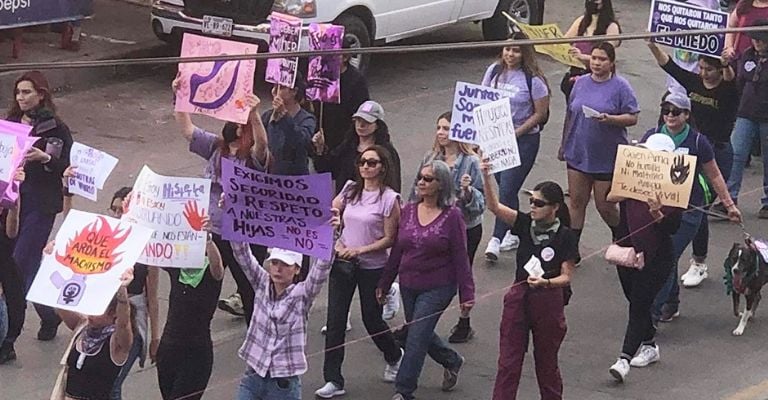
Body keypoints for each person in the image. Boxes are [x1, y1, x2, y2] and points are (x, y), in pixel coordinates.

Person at [172, 76, 269, 324]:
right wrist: (180, 97)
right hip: (212, 231)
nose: (235, 124)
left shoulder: (252, 159)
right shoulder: (216, 147)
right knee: (204, 285)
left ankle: (257, 333)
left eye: (240, 121)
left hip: (242, 234)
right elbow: (187, 129)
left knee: (249, 289)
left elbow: (262, 145)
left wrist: (255, 114)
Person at [378, 160, 475, 400]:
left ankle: (404, 390)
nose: (421, 182)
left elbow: (461, 256)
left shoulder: (452, 216)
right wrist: (385, 282)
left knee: (416, 338)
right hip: (409, 283)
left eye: (428, 179)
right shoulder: (409, 210)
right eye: (420, 177)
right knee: (420, 331)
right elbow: (398, 250)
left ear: (441, 184)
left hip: (439, 286)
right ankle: (451, 360)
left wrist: (467, 294)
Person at [647, 41, 739, 288]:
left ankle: (699, 262)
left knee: (698, 209)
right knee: (683, 204)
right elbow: (670, 66)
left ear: (719, 70)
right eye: (701, 68)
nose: (704, 73)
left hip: (717, 151)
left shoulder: (728, 90)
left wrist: (728, 63)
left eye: (709, 69)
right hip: (690, 151)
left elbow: (731, 79)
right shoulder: (695, 83)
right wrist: (652, 45)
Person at [642, 94, 742, 324]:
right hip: (659, 208)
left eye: (675, 111)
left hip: (689, 208)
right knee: (666, 256)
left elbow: (714, 174)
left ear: (687, 115)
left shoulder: (698, 142)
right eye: (666, 110)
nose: (669, 116)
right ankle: (672, 303)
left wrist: (729, 205)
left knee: (666, 256)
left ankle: (652, 314)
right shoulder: (652, 136)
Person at [315, 146, 404, 399]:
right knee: (335, 321)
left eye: (372, 163)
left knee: (371, 319)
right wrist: (338, 240)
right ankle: (333, 379)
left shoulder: (389, 198)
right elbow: (332, 214)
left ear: (382, 167)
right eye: (362, 162)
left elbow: (390, 239)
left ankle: (394, 354)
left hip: (372, 266)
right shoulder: (350, 189)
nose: (365, 166)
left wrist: (360, 250)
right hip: (344, 263)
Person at [482, 168, 577, 400]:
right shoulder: (524, 223)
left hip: (548, 298)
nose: (533, 206)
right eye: (531, 201)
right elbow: (494, 207)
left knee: (546, 364)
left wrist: (546, 282)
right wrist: (486, 176)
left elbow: (567, 276)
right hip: (519, 294)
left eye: (539, 203)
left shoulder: (565, 236)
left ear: (555, 207)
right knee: (508, 362)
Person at [230, 212, 341, 400]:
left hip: (282, 386)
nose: (278, 269)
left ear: (297, 269)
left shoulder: (302, 295)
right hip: (252, 376)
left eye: (285, 264)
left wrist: (332, 233)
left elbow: (321, 268)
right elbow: (242, 253)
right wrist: (231, 213)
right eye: (274, 262)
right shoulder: (262, 282)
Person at [606, 134, 683, 383]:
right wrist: (629, 188)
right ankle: (649, 344)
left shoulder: (675, 188)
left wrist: (656, 211)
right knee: (635, 302)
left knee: (639, 304)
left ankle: (624, 359)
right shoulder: (633, 178)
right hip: (628, 250)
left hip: (657, 256)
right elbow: (610, 197)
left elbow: (672, 227)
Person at [5, 70, 73, 343]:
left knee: (21, 264)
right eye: (18, 93)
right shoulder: (10, 122)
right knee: (22, 265)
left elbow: (68, 166)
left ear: (40, 95)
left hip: (41, 203)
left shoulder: (56, 128)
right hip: (12, 201)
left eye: (26, 92)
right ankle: (48, 312)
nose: (21, 97)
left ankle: (8, 334)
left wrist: (45, 157)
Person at [560, 42, 639, 264]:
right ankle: (571, 250)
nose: (596, 63)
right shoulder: (581, 83)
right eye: (593, 58)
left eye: (602, 59)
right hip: (578, 150)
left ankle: (622, 235)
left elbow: (632, 116)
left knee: (604, 204)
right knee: (576, 201)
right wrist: (563, 144)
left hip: (607, 154)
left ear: (611, 62)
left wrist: (610, 119)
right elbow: (570, 113)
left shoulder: (621, 86)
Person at [409, 111, 484, 343]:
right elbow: (416, 190)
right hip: (432, 227)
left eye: (447, 128)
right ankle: (419, 322)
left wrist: (469, 191)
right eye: (439, 127)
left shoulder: (471, 162)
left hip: (464, 228)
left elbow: (481, 204)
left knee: (462, 273)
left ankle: (464, 320)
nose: (441, 132)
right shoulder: (430, 158)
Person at [481, 31, 550, 262]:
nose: (510, 54)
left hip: (524, 141)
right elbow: (482, 100)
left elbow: (540, 114)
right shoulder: (493, 72)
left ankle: (496, 239)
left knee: (508, 188)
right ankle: (516, 229)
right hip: (496, 139)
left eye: (516, 50)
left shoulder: (534, 80)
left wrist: (516, 132)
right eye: (508, 49)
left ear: (525, 53)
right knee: (505, 187)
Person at [155, 217, 224, 400]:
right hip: (168, 349)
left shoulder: (210, 273)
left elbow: (218, 267)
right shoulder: (178, 269)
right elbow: (154, 250)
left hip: (196, 352)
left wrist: (208, 238)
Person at [107, 188, 160, 400]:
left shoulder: (147, 250)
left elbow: (153, 299)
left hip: (132, 321)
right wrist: (67, 195)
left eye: (122, 210)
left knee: (114, 382)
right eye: (114, 210)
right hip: (105, 319)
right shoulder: (106, 239)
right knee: (107, 383)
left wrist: (155, 338)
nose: (118, 215)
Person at [56, 268, 136, 400]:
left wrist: (122, 292)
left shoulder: (118, 343)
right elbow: (62, 303)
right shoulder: (82, 327)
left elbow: (124, 324)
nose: (90, 314)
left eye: (97, 310)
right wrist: (50, 262)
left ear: (114, 313)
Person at [724, 20, 768, 220]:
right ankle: (729, 199)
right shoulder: (747, 56)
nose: (757, 42)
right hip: (745, 113)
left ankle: (767, 203)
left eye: (762, 39)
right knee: (736, 155)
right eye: (755, 38)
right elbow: (736, 81)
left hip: (766, 116)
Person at [313, 100, 402, 195]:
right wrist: (320, 149)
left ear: (377, 125)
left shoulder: (387, 151)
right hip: (346, 203)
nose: (361, 125)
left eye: (367, 122)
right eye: (358, 120)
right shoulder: (347, 147)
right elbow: (327, 170)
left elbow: (393, 184)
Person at [312, 36, 370, 154]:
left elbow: (360, 111)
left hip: (344, 137)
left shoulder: (356, 80)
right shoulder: (320, 75)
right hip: (322, 135)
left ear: (344, 57)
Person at [562, 0, 621, 99]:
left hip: (598, 76)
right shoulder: (581, 21)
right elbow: (564, 41)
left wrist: (582, 56)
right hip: (576, 73)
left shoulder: (611, 27)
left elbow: (607, 56)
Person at [263, 73, 317, 176]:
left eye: (281, 87)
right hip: (270, 177)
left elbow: (301, 141)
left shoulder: (307, 119)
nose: (275, 91)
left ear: (294, 91)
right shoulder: (267, 116)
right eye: (274, 86)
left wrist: (285, 116)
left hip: (294, 180)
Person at [663, 0, 722, 96]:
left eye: (697, 10)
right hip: (675, 88)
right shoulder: (681, 28)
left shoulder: (715, 37)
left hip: (697, 91)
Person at [0, 169, 23, 359]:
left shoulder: (7, 206)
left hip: (4, 264)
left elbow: (11, 232)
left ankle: (7, 344)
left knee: (12, 305)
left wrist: (15, 206)